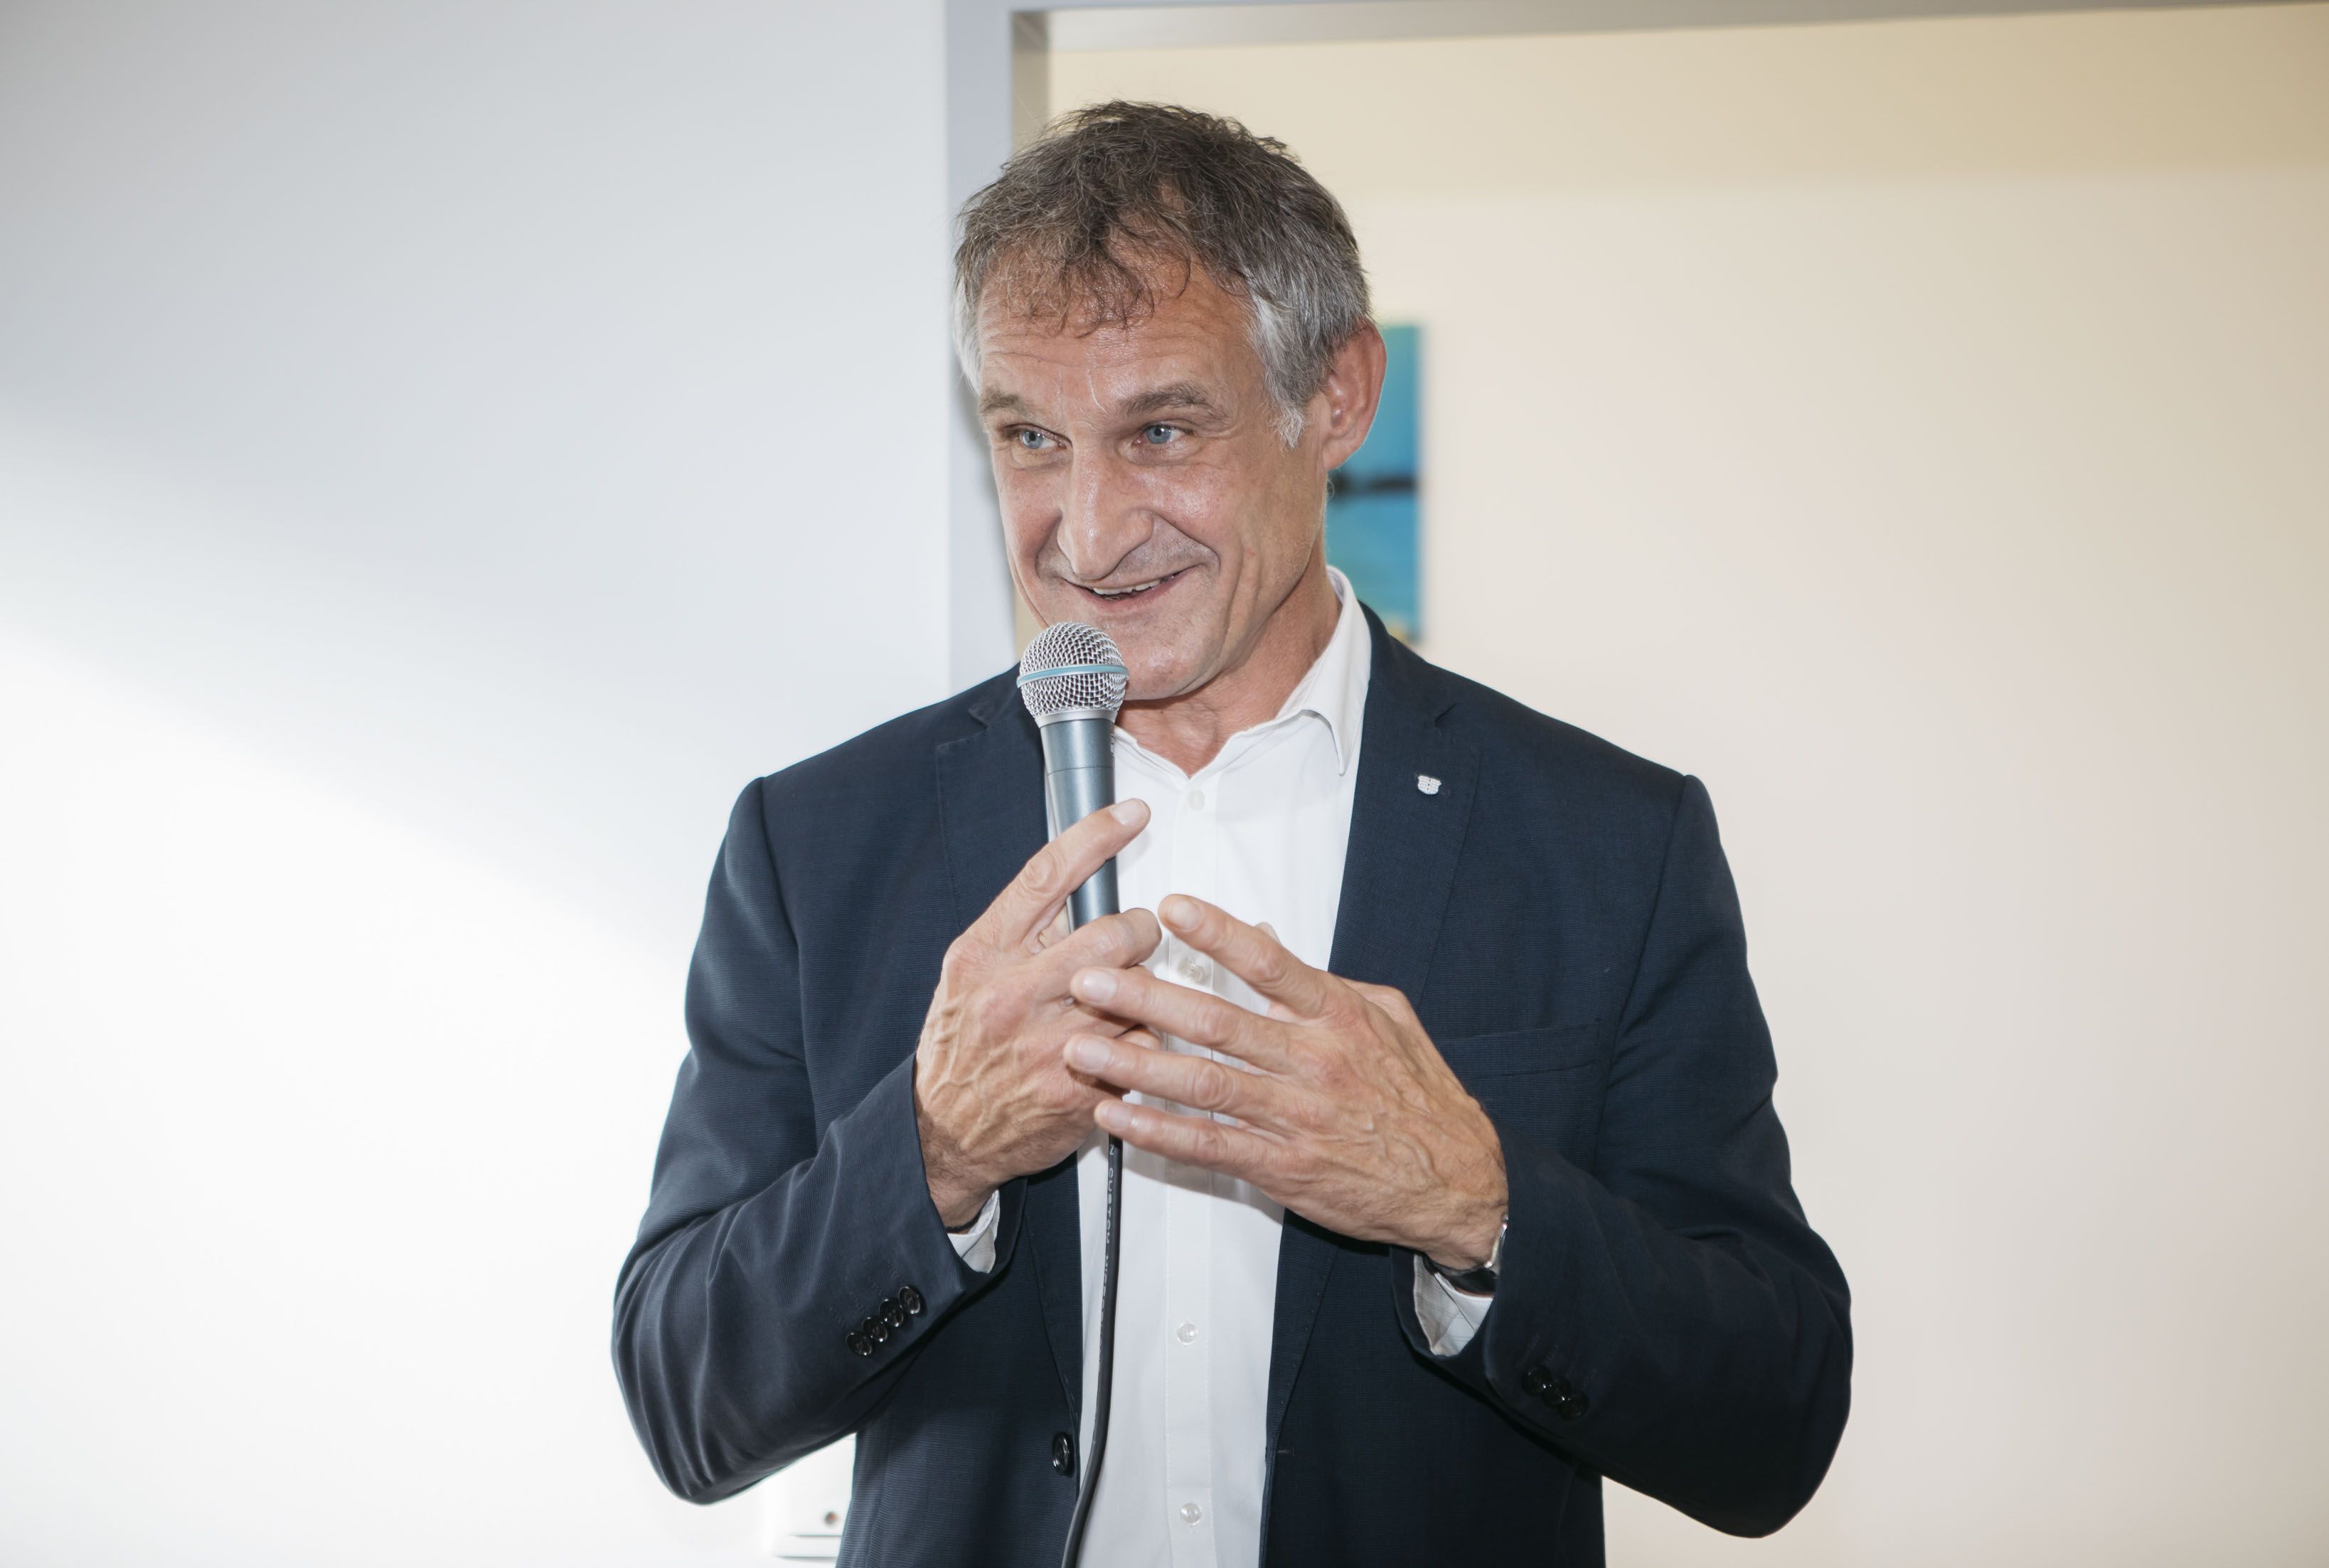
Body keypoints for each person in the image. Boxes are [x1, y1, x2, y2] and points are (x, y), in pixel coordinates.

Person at [612, 102, 1850, 1567]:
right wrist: (932, 1149)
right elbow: (685, 1403)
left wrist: (1471, 1197)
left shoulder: (1608, 842)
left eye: (1160, 430)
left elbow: (1770, 1423)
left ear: (1337, 395)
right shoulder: (817, 841)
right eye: (1030, 437)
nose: (1085, 533)